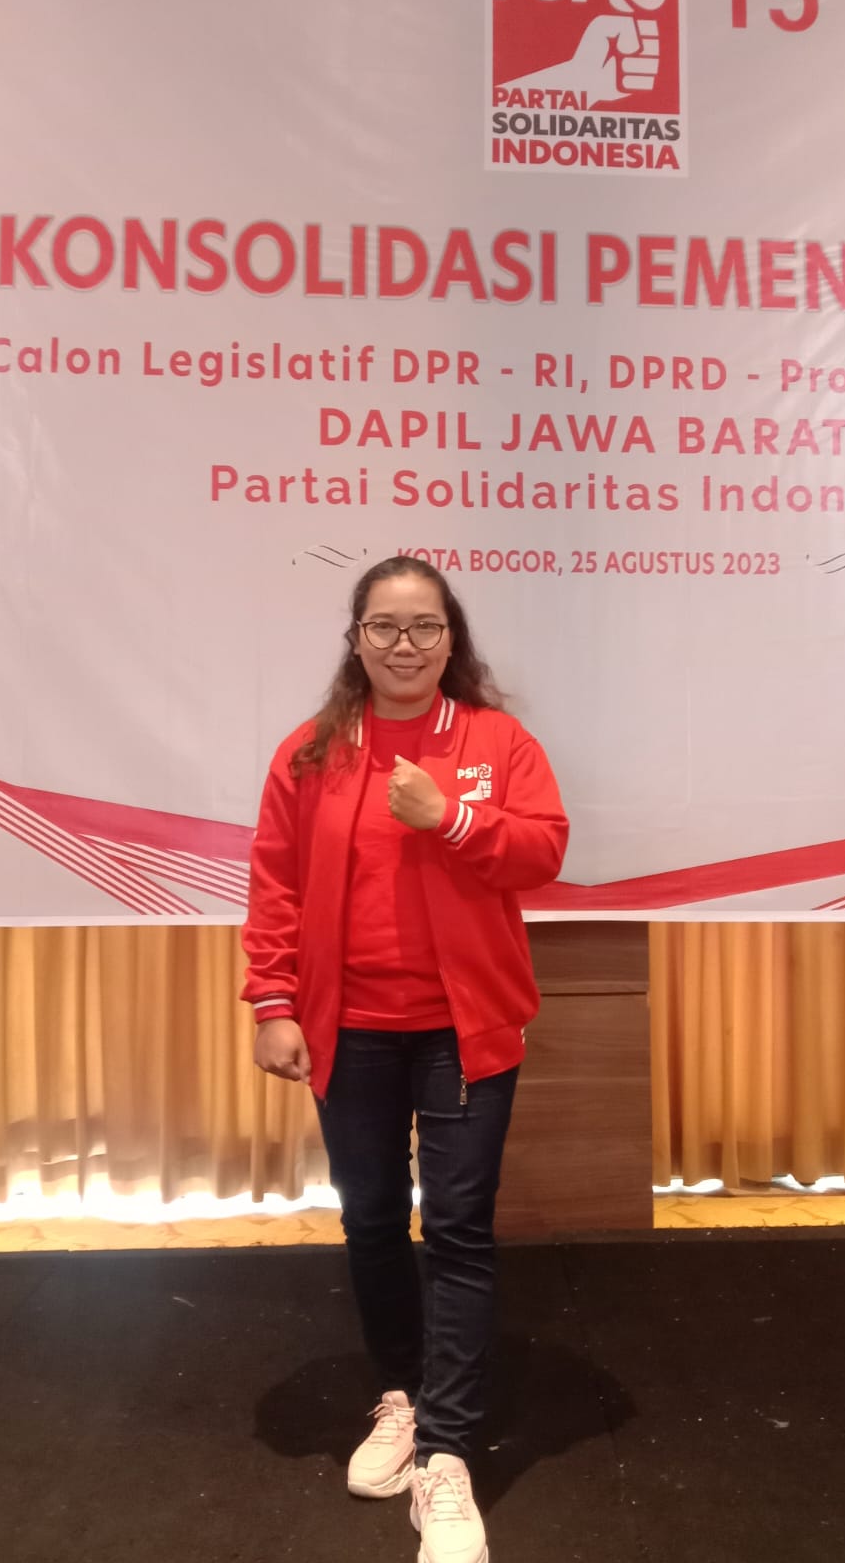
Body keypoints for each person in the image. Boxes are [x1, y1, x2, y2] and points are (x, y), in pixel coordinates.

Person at [242, 556, 569, 1563]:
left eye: (424, 626)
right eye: (383, 626)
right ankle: (405, 1395)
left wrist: (453, 818)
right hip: (350, 1030)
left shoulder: (496, 742)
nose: (404, 644)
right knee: (375, 1220)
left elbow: (544, 850)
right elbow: (275, 886)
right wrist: (274, 1001)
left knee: (460, 1228)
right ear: (356, 640)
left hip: (463, 1030)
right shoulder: (310, 753)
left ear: (450, 639)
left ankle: (448, 1454)